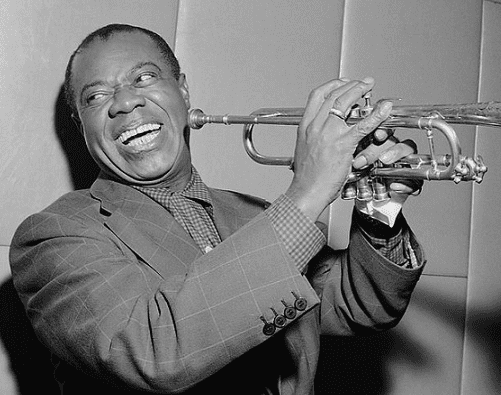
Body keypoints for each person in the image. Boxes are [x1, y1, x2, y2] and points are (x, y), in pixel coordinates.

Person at [10, 23, 425, 394]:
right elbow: (152, 351)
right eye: (96, 96)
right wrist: (309, 190)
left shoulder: (256, 216)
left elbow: (360, 307)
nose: (124, 103)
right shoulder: (54, 236)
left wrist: (379, 206)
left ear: (183, 91)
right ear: (81, 124)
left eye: (144, 77)